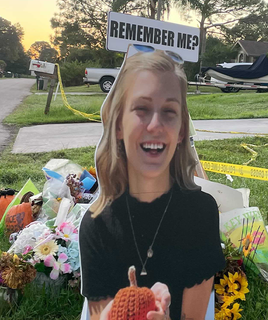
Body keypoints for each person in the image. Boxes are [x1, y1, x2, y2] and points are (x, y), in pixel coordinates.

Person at [79, 46, 225, 320]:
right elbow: (101, 313)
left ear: (182, 130)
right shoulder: (98, 224)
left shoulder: (201, 213)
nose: (155, 124)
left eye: (169, 111)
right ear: (118, 125)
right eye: (142, 109)